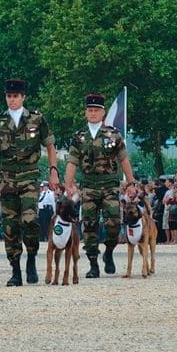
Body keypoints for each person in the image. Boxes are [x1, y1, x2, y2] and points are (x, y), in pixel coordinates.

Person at [0, 78, 57, 287]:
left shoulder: (37, 120)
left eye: (15, 96)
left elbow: (50, 146)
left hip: (29, 177)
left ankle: (31, 257)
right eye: (9, 96)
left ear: (23, 97)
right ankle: (15, 270)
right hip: (6, 178)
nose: (12, 100)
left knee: (30, 220)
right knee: (11, 226)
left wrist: (53, 171)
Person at [64, 93, 134, 277]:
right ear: (85, 112)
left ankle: (109, 251)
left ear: (103, 112)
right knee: (89, 224)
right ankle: (93, 263)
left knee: (114, 222)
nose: (93, 113)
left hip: (110, 184)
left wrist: (131, 182)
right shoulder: (79, 137)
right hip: (88, 186)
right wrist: (68, 185)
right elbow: (72, 162)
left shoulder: (113, 134)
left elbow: (124, 159)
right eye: (90, 110)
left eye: (96, 110)